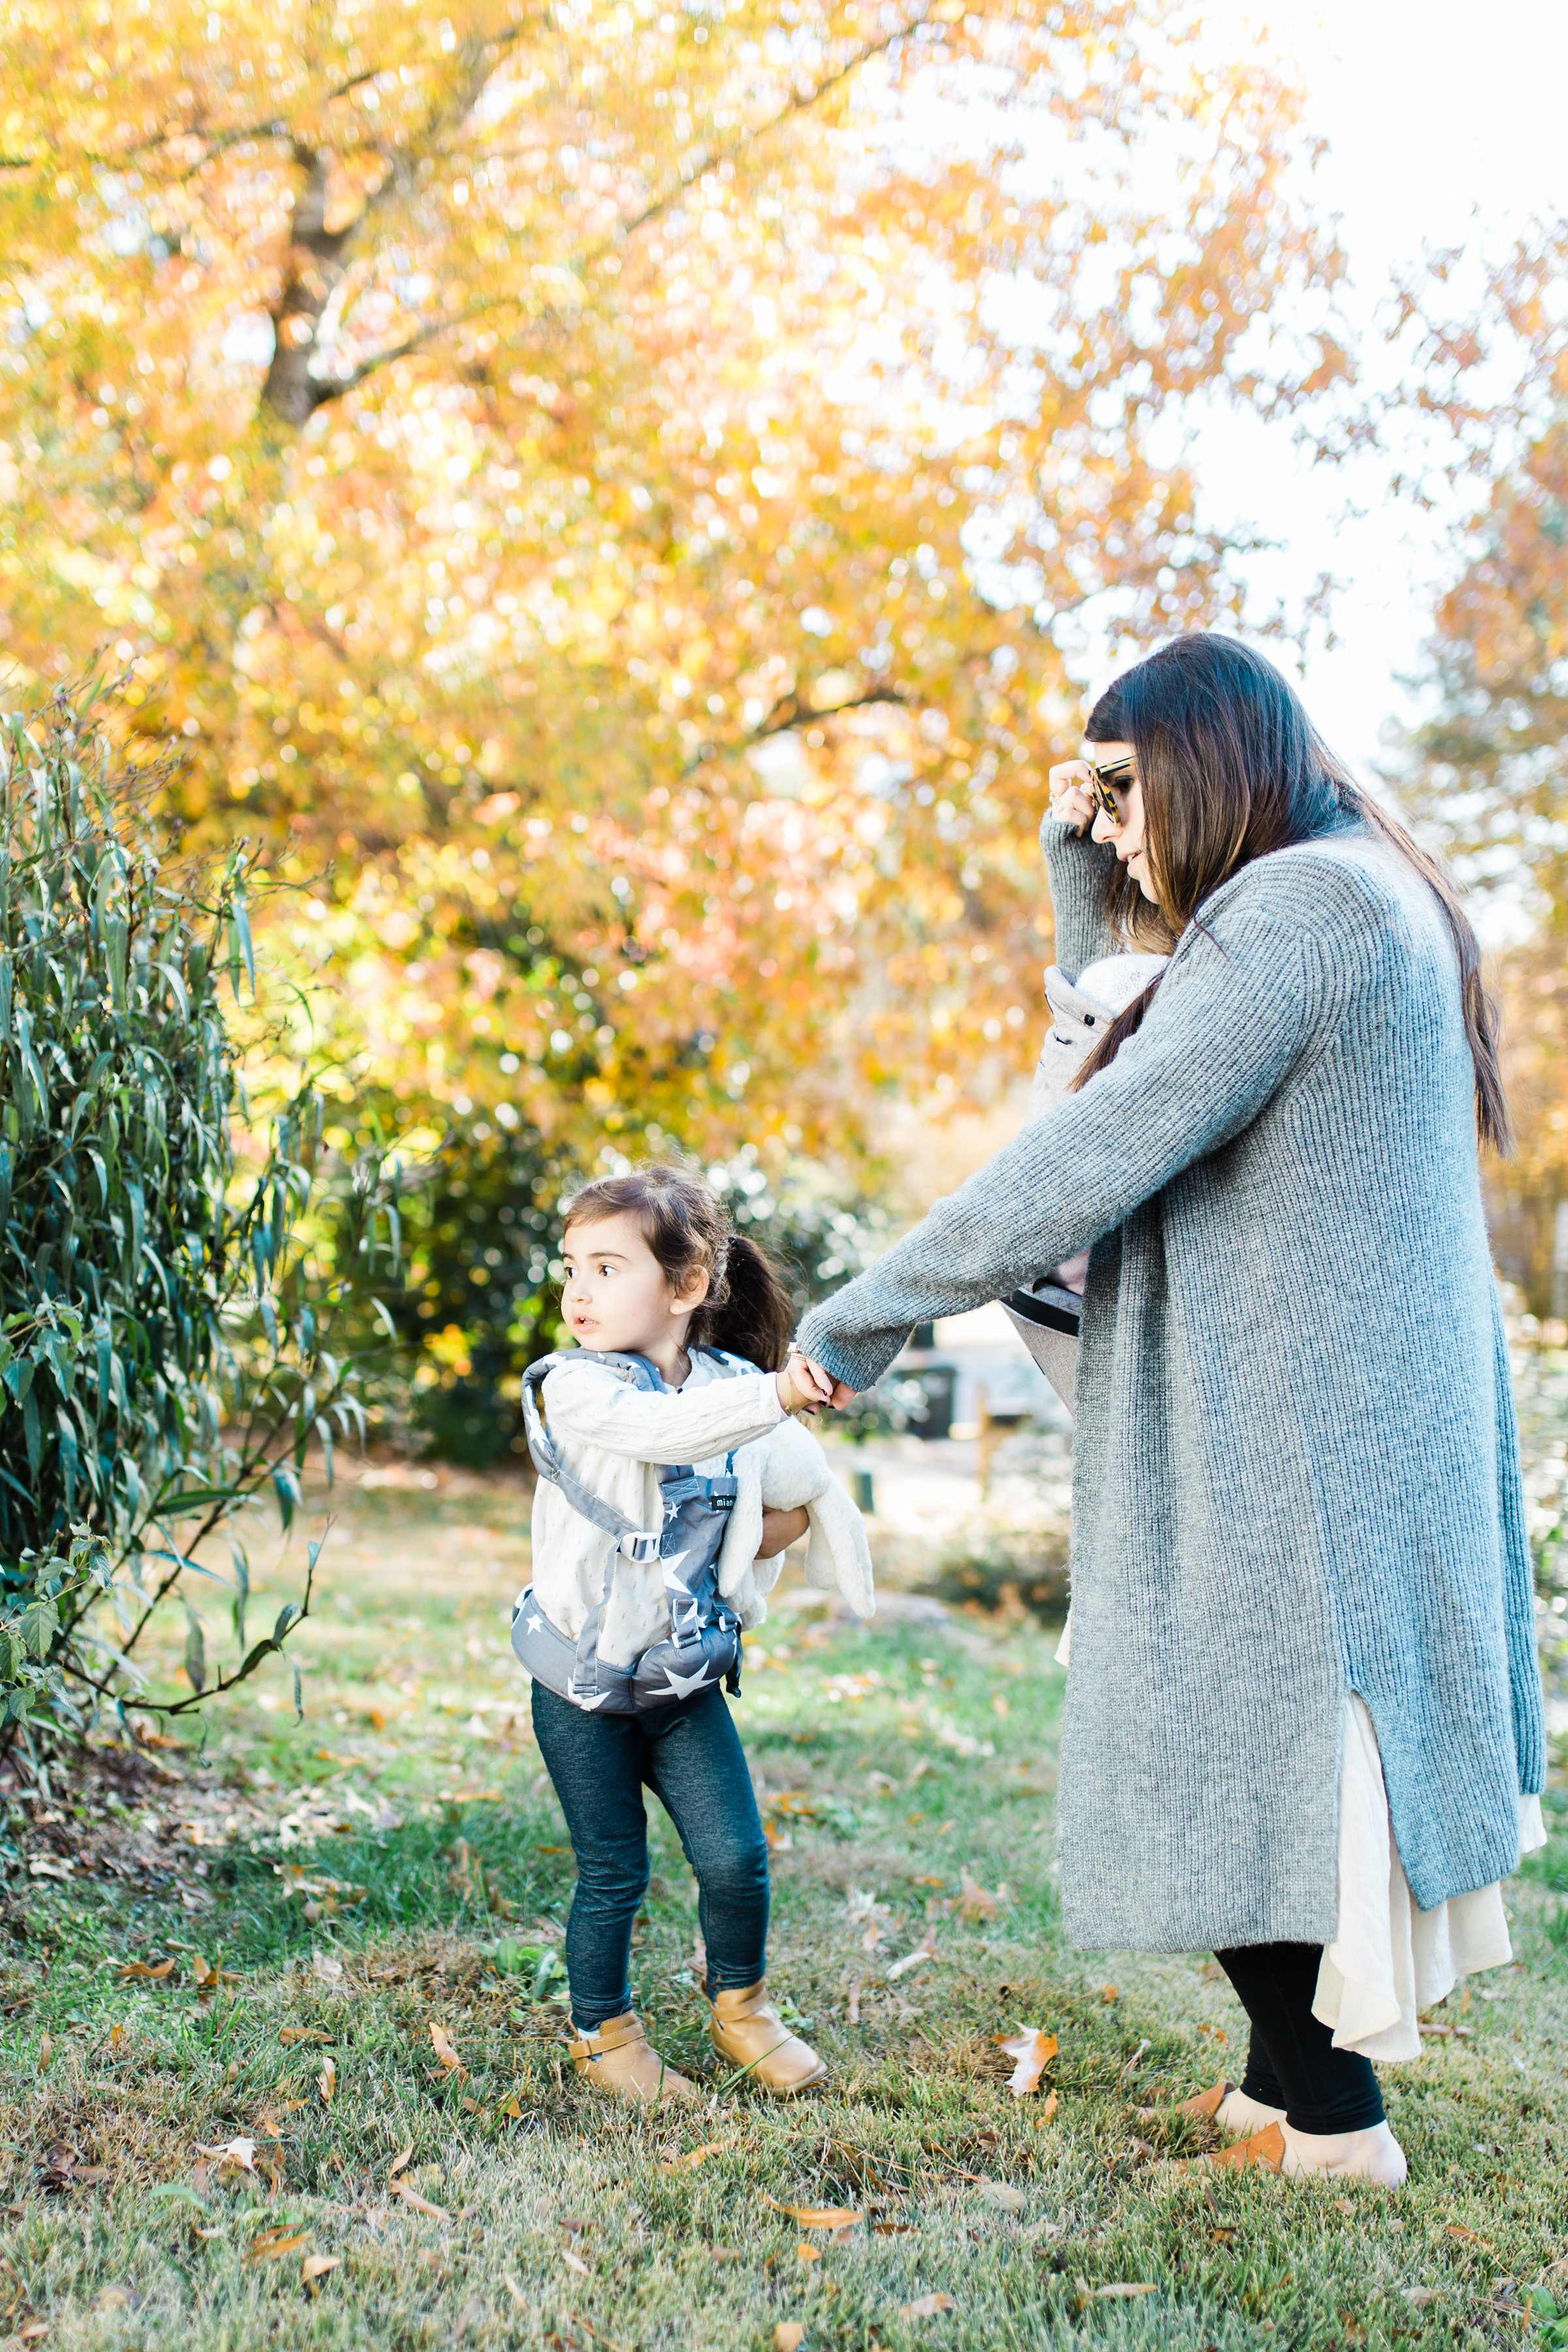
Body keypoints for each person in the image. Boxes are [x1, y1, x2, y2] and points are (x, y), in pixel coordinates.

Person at [795, 632, 1546, 2186]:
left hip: (1302, 1417)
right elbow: (1135, 1027)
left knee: (1239, 1751)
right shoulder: (1356, 886)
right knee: (1273, 1756)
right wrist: (1091, 887)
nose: (1115, 823)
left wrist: (862, 1316)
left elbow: (1095, 1140)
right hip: (1353, 1399)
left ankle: (1333, 2130)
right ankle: (1285, 2095)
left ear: (1209, 758)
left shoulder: (1290, 919)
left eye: (1128, 792)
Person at [514, 1162, 846, 2105]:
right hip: (581, 1685)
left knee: (737, 1859)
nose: (578, 1289)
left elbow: (788, 1500)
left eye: (608, 1268)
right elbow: (671, 1435)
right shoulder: (575, 1389)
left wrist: (789, 1509)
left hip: (681, 1680)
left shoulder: (733, 1384)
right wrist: (780, 1397)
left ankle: (742, 2008)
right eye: (572, 1266)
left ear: (688, 1285)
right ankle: (603, 2032)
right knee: (613, 1872)